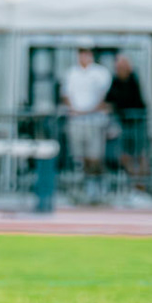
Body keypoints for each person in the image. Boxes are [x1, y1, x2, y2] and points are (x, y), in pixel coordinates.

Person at [61, 44, 112, 203]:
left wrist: (89, 110)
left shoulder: (100, 73)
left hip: (95, 120)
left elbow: (104, 96)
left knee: (95, 156)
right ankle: (83, 187)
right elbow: (66, 94)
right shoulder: (71, 73)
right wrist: (75, 110)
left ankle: (97, 186)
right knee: (79, 156)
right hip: (76, 121)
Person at [106, 54, 149, 196]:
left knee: (141, 154)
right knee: (123, 155)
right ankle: (135, 182)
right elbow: (109, 99)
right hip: (123, 125)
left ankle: (141, 186)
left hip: (138, 123)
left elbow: (127, 99)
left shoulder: (133, 78)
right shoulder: (115, 81)